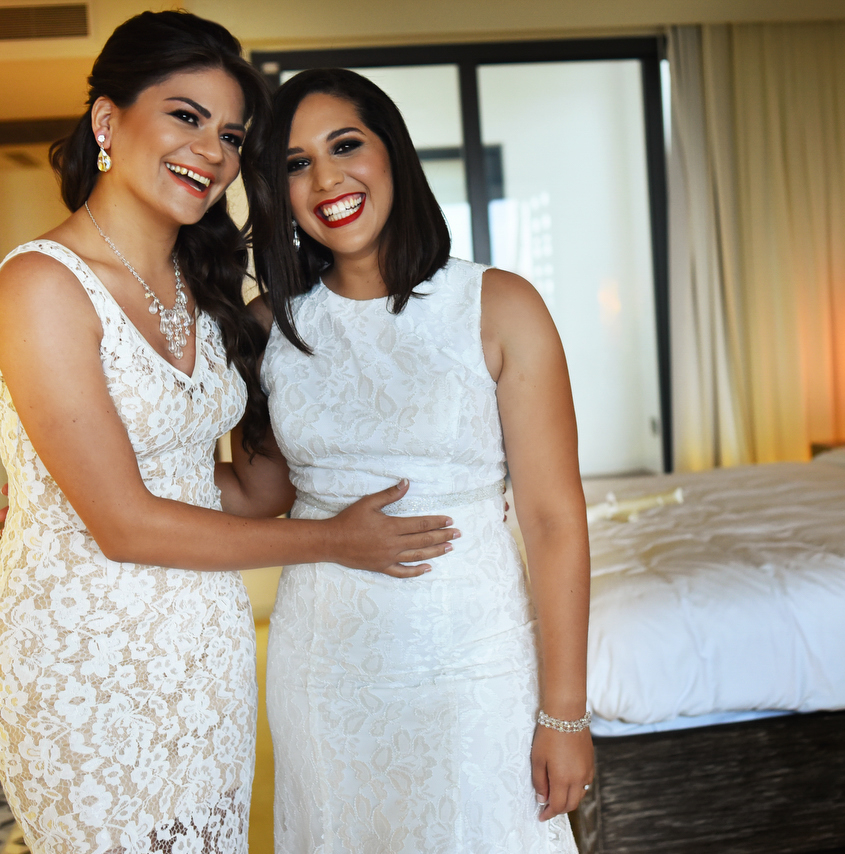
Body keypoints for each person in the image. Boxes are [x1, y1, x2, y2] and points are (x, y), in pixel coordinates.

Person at [0, 15, 459, 852]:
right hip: (83, 665)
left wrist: (349, 386)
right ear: (106, 121)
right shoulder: (40, 286)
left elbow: (243, 490)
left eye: (231, 135)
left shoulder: (202, 290)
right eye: (185, 116)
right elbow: (124, 524)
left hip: (204, 660)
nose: (212, 150)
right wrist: (336, 541)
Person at [252, 68, 594, 852]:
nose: (326, 178)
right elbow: (259, 492)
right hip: (322, 673)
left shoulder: (501, 304)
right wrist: (82, 475)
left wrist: (565, 713)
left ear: (392, 153)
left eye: (345, 146)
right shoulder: (273, 324)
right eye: (297, 163)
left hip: (474, 670)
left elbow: (551, 518)